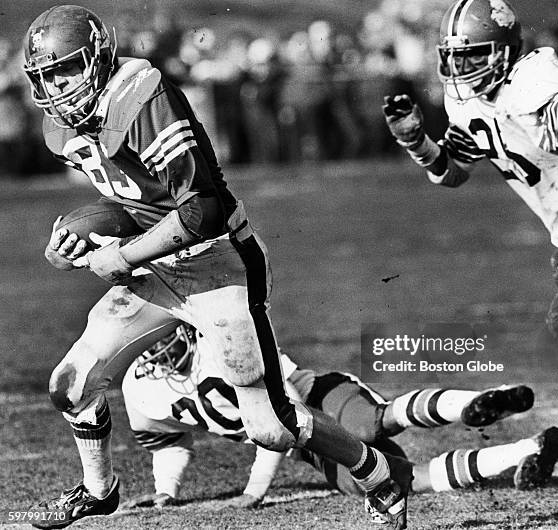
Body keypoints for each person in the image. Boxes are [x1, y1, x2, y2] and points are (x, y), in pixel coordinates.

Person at [23, 6, 408, 528]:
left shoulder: (142, 98)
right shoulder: (62, 126)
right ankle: (98, 489)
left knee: (271, 426)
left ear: (97, 58)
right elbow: (134, 204)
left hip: (219, 264)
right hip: (160, 266)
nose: (57, 87)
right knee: (69, 384)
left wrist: (122, 254)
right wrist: (67, 245)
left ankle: (376, 472)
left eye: (66, 69)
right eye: (46, 75)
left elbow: (201, 210)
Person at [382, 0, 558, 417]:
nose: (462, 66)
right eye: (454, 55)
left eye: (472, 53)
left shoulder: (530, 77)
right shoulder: (467, 103)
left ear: (504, 49)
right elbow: (453, 171)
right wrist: (417, 144)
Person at [120, 325, 558, 510]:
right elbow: (168, 442)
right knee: (393, 483)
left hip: (318, 398)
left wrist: (255, 489)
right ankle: (529, 448)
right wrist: (165, 491)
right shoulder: (139, 390)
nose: (161, 348)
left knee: (367, 425)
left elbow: (283, 417)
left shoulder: (227, 341)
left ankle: (475, 403)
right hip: (308, 447)